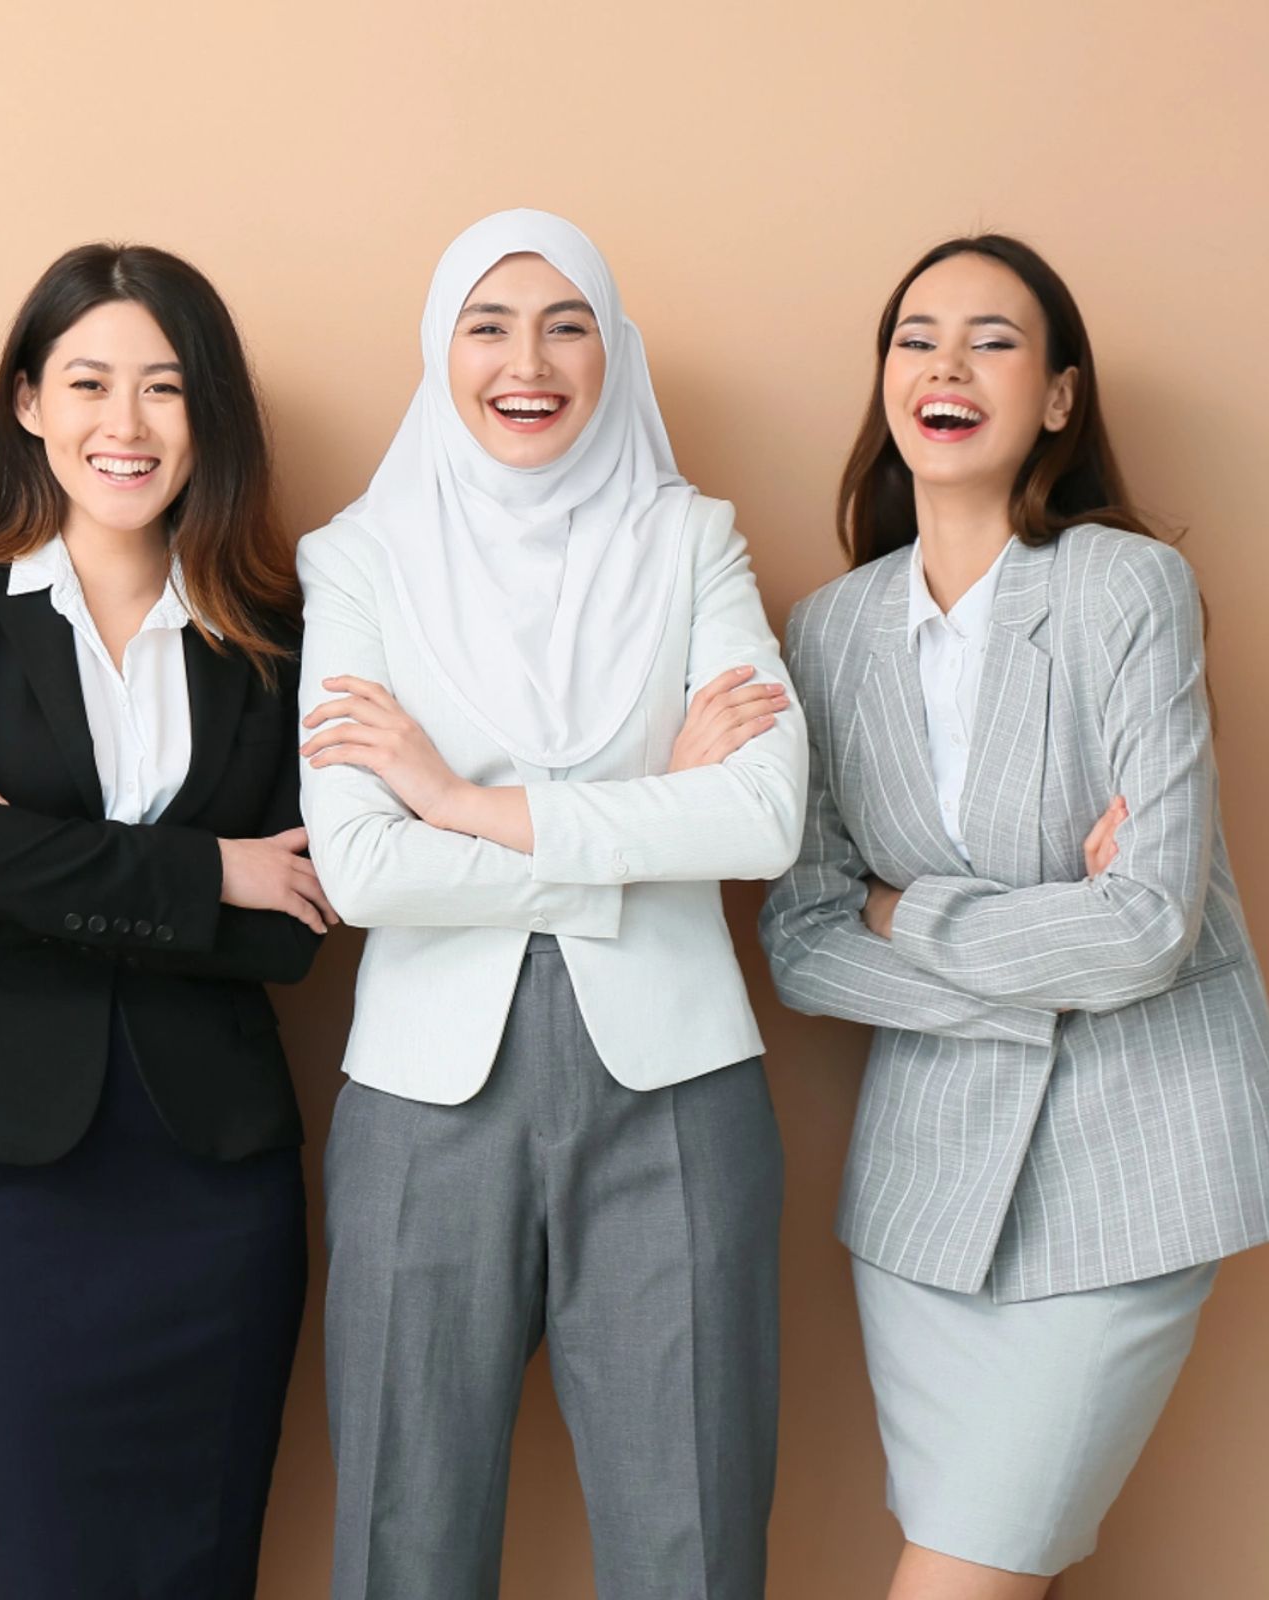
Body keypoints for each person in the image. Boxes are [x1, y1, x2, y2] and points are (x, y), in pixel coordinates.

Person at [759, 234, 1269, 1598]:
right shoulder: (827, 633)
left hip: (1133, 1164)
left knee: (963, 1581)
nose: (947, 365)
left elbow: (1146, 933)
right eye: (916, 337)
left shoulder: (1129, 589)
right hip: (927, 1201)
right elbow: (802, 943)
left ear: (1059, 398)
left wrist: (907, 912)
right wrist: (1032, 923)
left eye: (994, 341)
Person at [297, 209, 805, 1600]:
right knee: (406, 1541)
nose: (530, 362)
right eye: (489, 324)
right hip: (419, 1099)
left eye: (566, 322)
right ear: (439, 351)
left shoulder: (692, 538)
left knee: (691, 1546)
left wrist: (461, 802)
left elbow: (761, 815)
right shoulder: (358, 558)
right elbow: (360, 866)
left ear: (613, 347)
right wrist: (645, 813)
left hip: (678, 1090)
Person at [0, 242, 327, 1599]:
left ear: (210, 416)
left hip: (215, 1182)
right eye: (88, 383)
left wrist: (36, 849)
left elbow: (293, 921)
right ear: (27, 402)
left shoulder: (276, 630)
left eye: (165, 388)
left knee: (204, 1563)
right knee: (33, 1564)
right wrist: (201, 875)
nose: (124, 426)